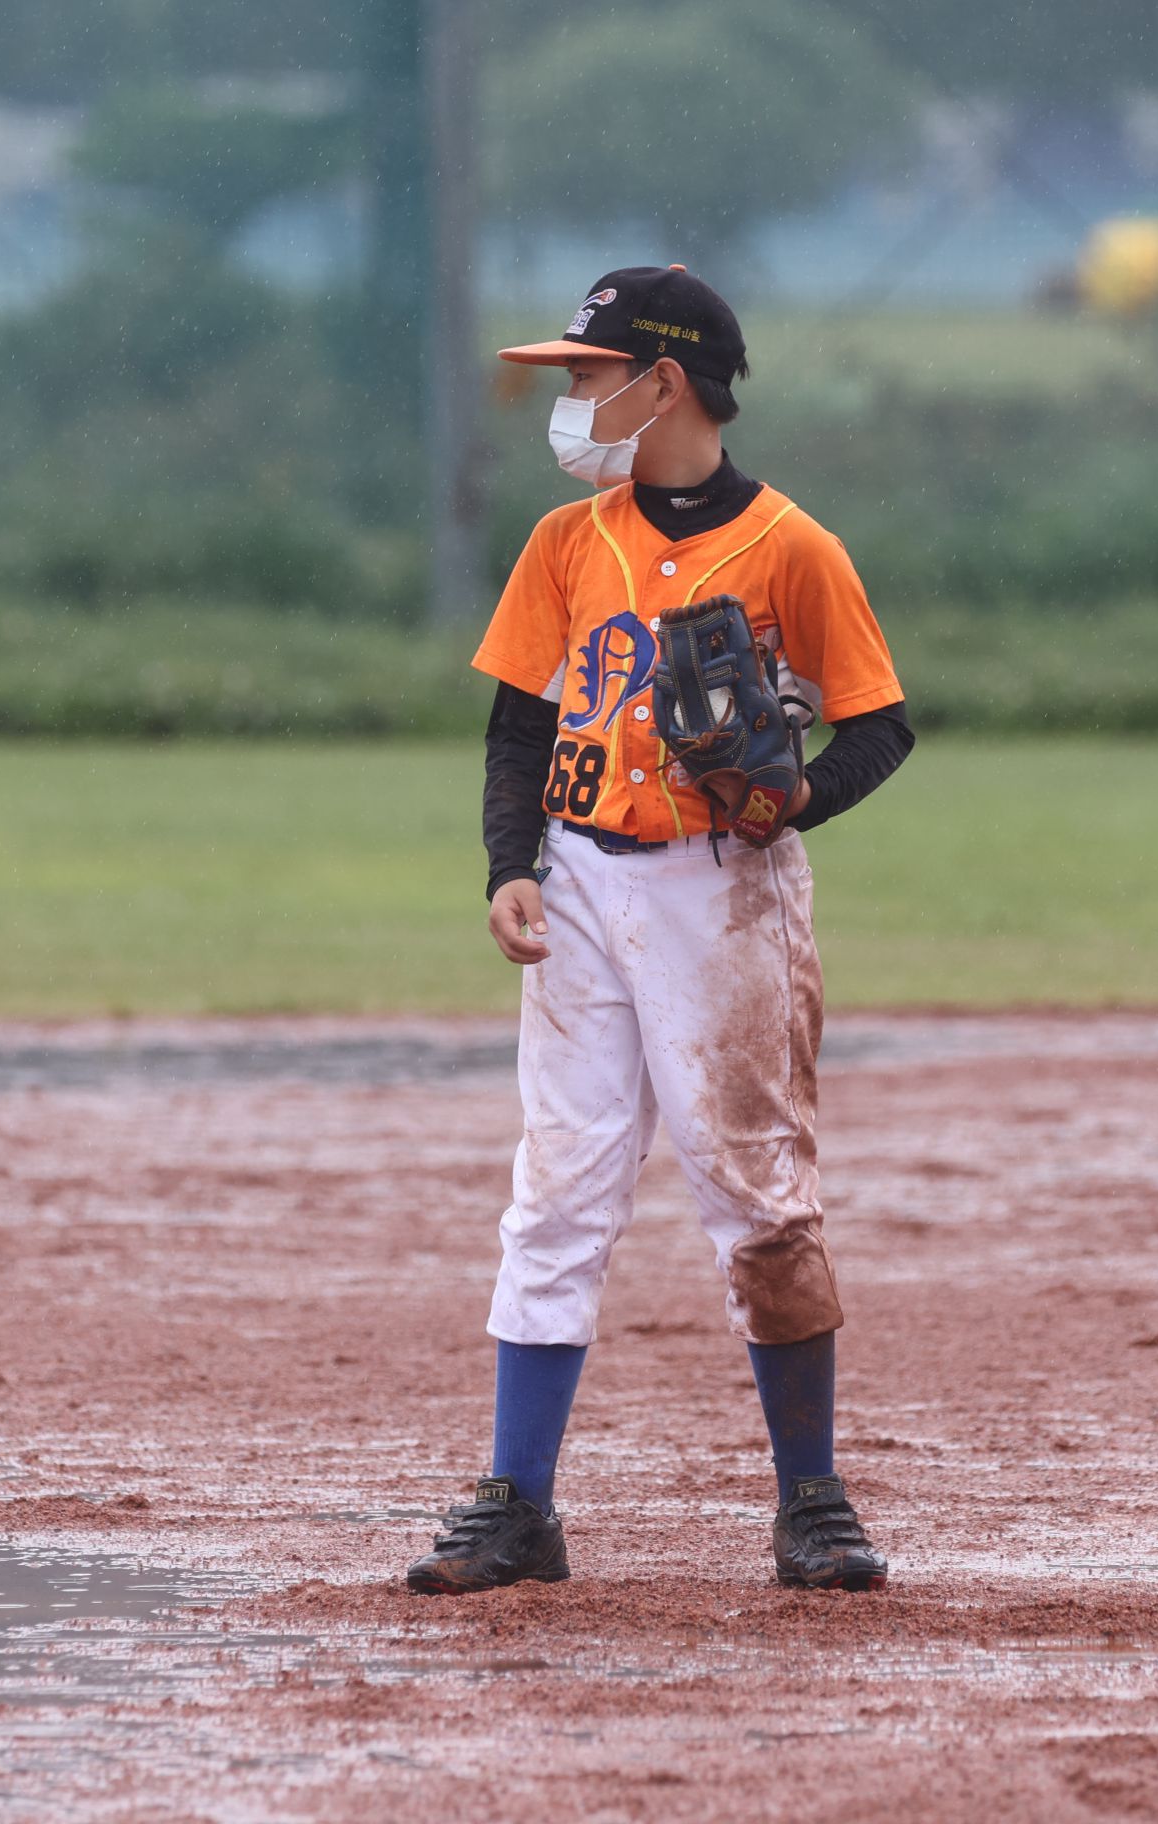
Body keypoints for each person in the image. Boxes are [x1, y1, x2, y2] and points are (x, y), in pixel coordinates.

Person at [404, 265, 916, 1595]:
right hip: (578, 883)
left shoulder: (794, 548)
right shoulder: (566, 542)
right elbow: (521, 726)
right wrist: (510, 865)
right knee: (557, 1189)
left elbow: (879, 727)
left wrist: (794, 799)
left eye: (588, 374)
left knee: (756, 1193)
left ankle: (813, 1504)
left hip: (723, 893)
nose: (570, 399)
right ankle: (518, 1505)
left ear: (664, 383)